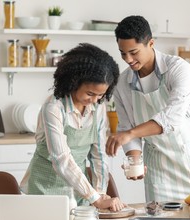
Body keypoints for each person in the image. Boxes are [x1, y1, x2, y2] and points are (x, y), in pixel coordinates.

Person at [106, 15, 190, 202]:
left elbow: (172, 117)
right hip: (158, 166)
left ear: (150, 43)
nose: (128, 59)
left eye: (134, 52)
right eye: (123, 53)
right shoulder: (122, 84)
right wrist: (135, 160)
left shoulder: (178, 69)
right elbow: (126, 126)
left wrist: (131, 134)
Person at [21, 43, 125, 211]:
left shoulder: (98, 107)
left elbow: (99, 155)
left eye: (101, 95)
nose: (95, 100)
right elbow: (61, 159)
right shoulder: (53, 107)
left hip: (80, 192)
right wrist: (95, 199)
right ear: (74, 82)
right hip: (44, 190)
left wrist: (99, 192)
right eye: (90, 93)